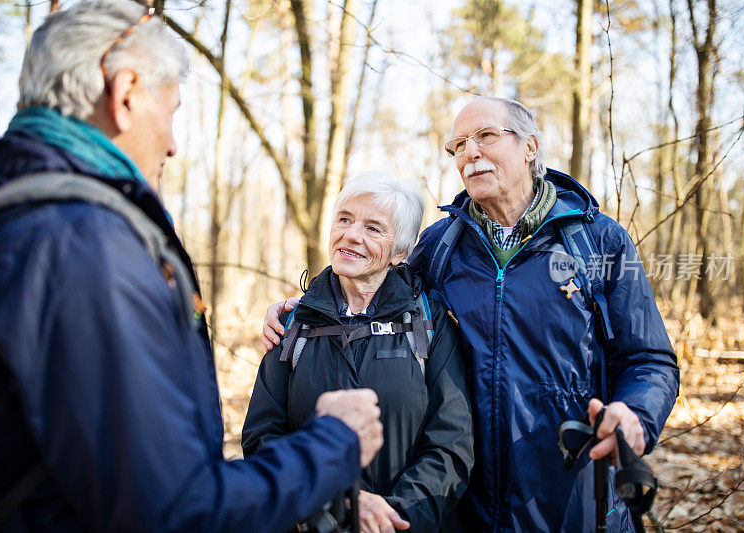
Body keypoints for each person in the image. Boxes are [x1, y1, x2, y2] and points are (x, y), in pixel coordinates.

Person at [0, 2, 384, 531]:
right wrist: (335, 445)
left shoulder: (4, 209)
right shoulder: (82, 246)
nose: (171, 143)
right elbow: (173, 510)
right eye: (170, 112)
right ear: (124, 94)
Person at [262, 97, 680, 531]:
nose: (470, 152)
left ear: (530, 147)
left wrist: (636, 414)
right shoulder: (439, 246)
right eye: (458, 144)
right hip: (469, 503)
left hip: (573, 496)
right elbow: (369, 296)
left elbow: (650, 359)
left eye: (485, 136)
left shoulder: (599, 241)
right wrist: (303, 309)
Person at [243, 172, 474, 533]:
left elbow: (451, 443)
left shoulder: (429, 323)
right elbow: (262, 436)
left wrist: (393, 517)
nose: (352, 235)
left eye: (373, 228)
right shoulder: (293, 324)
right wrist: (336, 506)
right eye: (345, 219)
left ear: (400, 252)